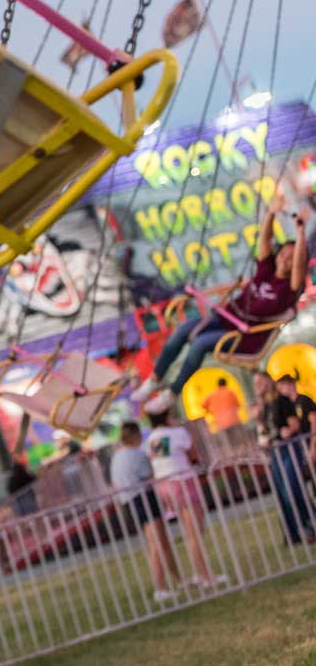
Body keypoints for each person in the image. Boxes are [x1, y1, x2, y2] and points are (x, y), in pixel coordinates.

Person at [132, 190, 307, 413]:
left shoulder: (288, 291)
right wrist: (271, 214)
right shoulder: (266, 270)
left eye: (291, 257)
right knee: (183, 330)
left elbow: (301, 265)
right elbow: (265, 240)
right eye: (284, 252)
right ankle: (155, 379)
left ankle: (172, 392)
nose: (285, 258)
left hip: (244, 336)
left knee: (200, 344)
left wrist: (300, 233)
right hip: (226, 317)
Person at [145, 409, 226, 588]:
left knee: (191, 533)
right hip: (182, 482)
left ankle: (200, 572)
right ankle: (205, 576)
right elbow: (193, 454)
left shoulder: (153, 438)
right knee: (195, 533)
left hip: (165, 485)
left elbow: (160, 459)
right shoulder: (178, 433)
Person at [111, 421, 180, 602]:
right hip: (143, 498)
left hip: (129, 501)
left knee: (160, 541)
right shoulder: (136, 454)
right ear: (135, 435)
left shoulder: (117, 457)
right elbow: (150, 473)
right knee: (157, 543)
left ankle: (178, 580)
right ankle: (161, 587)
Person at [266, 375, 316, 544]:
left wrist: (312, 447)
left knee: (296, 488)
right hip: (298, 448)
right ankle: (301, 529)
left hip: (306, 447)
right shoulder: (285, 404)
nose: (282, 388)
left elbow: (313, 423)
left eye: (284, 384)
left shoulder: (304, 400)